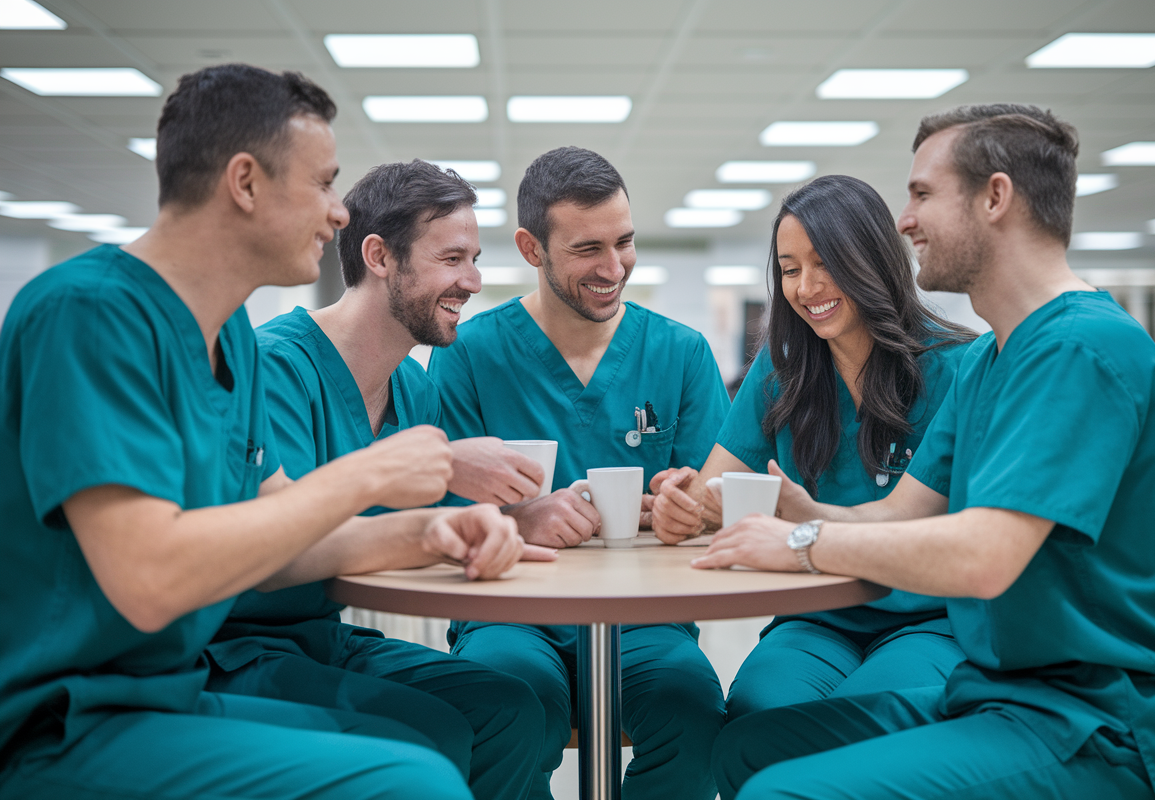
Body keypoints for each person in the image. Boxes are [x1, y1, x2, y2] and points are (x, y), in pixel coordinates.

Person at [0, 64, 491, 800]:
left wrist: (429, 533)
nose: (338, 214)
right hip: (62, 719)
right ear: (245, 182)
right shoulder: (87, 314)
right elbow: (149, 580)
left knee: (446, 734)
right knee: (414, 783)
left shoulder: (229, 333)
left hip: (167, 691)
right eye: (323, 184)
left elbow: (282, 547)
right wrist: (367, 474)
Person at [699, 104, 1155, 800]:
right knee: (744, 748)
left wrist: (803, 543)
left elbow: (983, 557)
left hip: (1090, 722)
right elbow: (897, 516)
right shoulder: (994, 359)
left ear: (995, 197)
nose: (903, 221)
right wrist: (802, 513)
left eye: (922, 195)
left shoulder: (1080, 349)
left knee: (777, 793)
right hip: (995, 691)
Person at [203, 159, 558, 800]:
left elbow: (408, 523)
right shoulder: (276, 367)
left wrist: (513, 518)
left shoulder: (413, 390)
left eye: (474, 259)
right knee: (430, 732)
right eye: (453, 259)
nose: (474, 281)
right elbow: (281, 542)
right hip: (234, 648)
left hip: (321, 636)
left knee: (510, 706)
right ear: (379, 256)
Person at [426, 146, 730, 800]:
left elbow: (724, 498)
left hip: (646, 619)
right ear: (531, 249)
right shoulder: (469, 354)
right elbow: (433, 505)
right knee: (503, 705)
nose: (614, 267)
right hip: (508, 612)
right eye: (588, 249)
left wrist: (695, 512)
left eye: (624, 242)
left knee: (694, 712)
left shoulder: (681, 353)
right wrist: (513, 517)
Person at [650, 174, 973, 720]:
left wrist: (809, 521)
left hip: (928, 617)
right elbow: (709, 497)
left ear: (872, 259)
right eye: (791, 270)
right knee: (756, 711)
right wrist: (679, 508)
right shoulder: (781, 373)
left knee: (859, 717)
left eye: (826, 264)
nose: (806, 288)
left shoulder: (959, 369)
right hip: (815, 614)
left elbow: (944, 529)